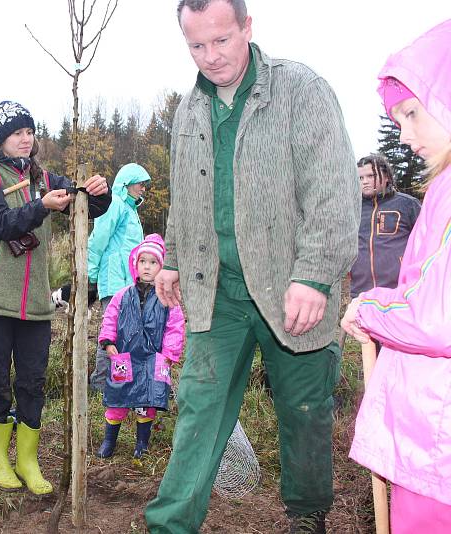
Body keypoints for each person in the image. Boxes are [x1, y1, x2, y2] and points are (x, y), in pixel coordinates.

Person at [145, 1, 359, 533]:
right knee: (199, 406)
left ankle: (307, 516)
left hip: (293, 288)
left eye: (221, 41)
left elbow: (334, 191)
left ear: (247, 27)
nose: (210, 57)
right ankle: (171, 525)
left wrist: (313, 276)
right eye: (196, 46)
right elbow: (185, 196)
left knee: (303, 410)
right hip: (218, 290)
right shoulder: (190, 111)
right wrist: (171, 258)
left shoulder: (301, 90)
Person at [0, 100, 111, 495]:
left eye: (29, 132)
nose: (25, 139)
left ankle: (28, 459)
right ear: (1, 139)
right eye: (16, 133)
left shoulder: (44, 176)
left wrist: (100, 191)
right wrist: (38, 206)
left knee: (32, 381)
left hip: (37, 304)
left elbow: (88, 204)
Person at [341, 20, 451, 532]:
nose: (404, 134)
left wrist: (370, 307)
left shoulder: (427, 199)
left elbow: (437, 316)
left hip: (437, 433)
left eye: (411, 112)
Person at [94, 234, 185, 459]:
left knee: (147, 402)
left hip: (153, 359)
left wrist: (169, 354)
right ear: (135, 264)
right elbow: (109, 318)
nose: (147, 267)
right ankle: (109, 441)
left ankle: (142, 443)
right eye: (143, 261)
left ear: (162, 267)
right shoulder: (122, 295)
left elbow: (175, 327)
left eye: (153, 262)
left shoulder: (167, 298)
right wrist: (108, 342)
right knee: (117, 400)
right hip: (124, 358)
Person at [87, 162, 152, 391]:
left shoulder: (130, 210)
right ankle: (99, 385)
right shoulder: (114, 204)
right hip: (114, 281)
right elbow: (98, 240)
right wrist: (91, 277)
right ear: (126, 184)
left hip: (129, 283)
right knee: (111, 334)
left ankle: (119, 383)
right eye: (140, 184)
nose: (143, 189)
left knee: (127, 334)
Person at [350, 153, 421, 299]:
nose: (365, 182)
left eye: (371, 176)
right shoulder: (352, 208)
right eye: (360, 178)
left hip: (400, 292)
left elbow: (426, 243)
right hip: (360, 292)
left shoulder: (408, 204)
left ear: (387, 176)